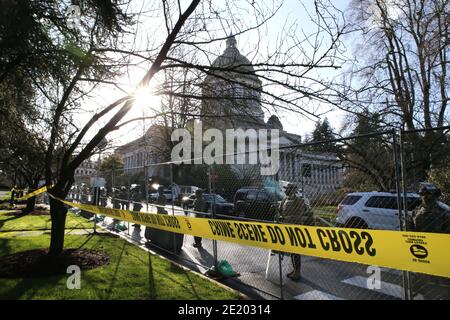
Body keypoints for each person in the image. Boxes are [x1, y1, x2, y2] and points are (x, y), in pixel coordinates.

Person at [407, 182, 450, 299]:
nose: (425, 197)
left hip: (440, 255)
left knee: (444, 284)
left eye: (428, 194)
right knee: (426, 285)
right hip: (422, 254)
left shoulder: (444, 213)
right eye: (423, 194)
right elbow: (410, 230)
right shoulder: (416, 212)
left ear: (435, 195)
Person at [279, 183, 314, 281]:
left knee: (296, 251)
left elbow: (307, 212)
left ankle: (297, 272)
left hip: (296, 229)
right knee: (292, 251)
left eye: (288, 189)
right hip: (288, 228)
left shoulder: (299, 200)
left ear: (292, 190)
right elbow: (281, 212)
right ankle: (294, 270)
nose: (286, 191)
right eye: (286, 189)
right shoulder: (285, 200)